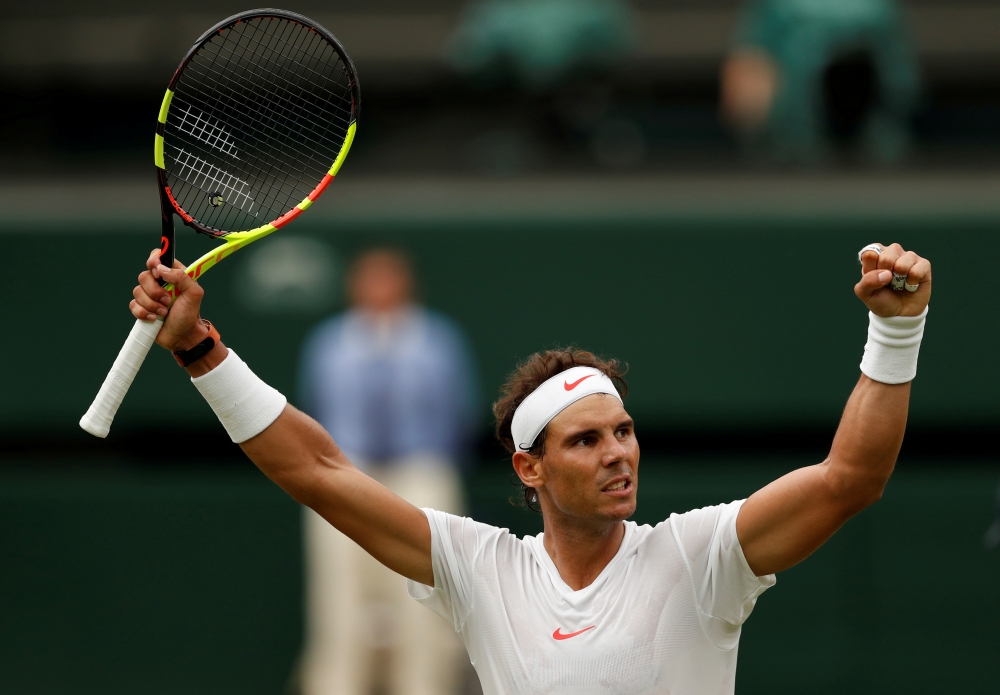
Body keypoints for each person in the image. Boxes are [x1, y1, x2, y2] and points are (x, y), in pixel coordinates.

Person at [129, 241, 931, 694]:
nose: (617, 451)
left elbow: (849, 478)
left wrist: (897, 333)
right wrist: (202, 351)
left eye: (623, 429)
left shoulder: (700, 555)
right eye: (585, 441)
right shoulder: (481, 569)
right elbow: (317, 469)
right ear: (530, 468)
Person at [296, 249, 477, 695]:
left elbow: (461, 413)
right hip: (345, 472)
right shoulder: (328, 343)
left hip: (421, 473)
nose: (378, 290)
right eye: (368, 280)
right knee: (337, 599)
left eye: (388, 279)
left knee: (425, 600)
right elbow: (313, 413)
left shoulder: (439, 340)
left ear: (407, 285)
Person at [720, 0, 920, 163]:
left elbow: (903, 87)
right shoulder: (777, 8)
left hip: (872, 156)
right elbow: (747, 80)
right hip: (793, 154)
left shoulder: (878, 10)